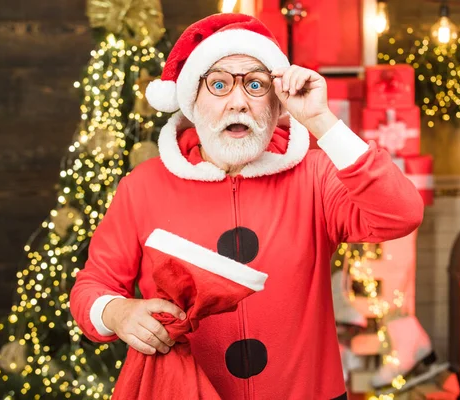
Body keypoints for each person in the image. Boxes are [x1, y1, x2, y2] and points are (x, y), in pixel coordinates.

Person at [70, 12, 424, 400]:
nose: (238, 102)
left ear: (277, 103)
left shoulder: (315, 177)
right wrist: (116, 313)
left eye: (256, 85)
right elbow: (92, 286)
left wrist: (322, 120)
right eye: (218, 84)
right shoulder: (143, 187)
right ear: (192, 101)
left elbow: (401, 214)